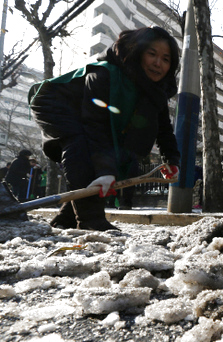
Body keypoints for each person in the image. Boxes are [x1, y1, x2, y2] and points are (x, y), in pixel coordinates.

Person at [29, 26, 181, 231]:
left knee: (119, 154)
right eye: (152, 54)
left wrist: (172, 160)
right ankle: (91, 221)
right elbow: (95, 125)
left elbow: (163, 130)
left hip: (91, 118)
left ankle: (67, 217)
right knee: (80, 145)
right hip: (55, 102)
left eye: (166, 59)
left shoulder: (155, 93)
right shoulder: (104, 73)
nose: (158, 63)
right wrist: (105, 171)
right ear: (137, 52)